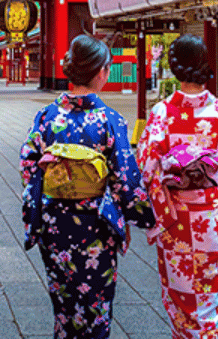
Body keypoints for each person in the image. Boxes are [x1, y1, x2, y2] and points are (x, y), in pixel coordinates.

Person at [19, 35, 155, 339]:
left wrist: (51, 185)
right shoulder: (110, 120)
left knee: (64, 304)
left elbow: (28, 165)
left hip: (54, 223)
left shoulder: (47, 116)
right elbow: (125, 179)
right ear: (101, 72)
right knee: (95, 305)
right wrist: (142, 217)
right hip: (95, 225)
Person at [136, 34, 218, 339]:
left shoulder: (163, 112)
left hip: (176, 216)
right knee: (208, 288)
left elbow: (146, 163)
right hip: (209, 215)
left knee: (179, 290)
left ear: (174, 66)